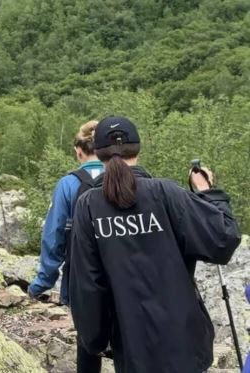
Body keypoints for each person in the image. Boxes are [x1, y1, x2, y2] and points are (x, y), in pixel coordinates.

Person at [69, 116, 241, 373]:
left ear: (99, 152)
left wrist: (95, 340)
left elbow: (87, 284)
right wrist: (206, 192)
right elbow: (223, 239)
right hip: (184, 343)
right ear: (137, 148)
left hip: (130, 344)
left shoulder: (88, 206)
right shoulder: (166, 193)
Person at [28, 120, 104, 373]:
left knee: (87, 343)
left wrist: (42, 283)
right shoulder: (123, 179)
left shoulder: (68, 184)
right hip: (122, 272)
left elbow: (54, 236)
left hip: (81, 277)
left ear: (78, 150)